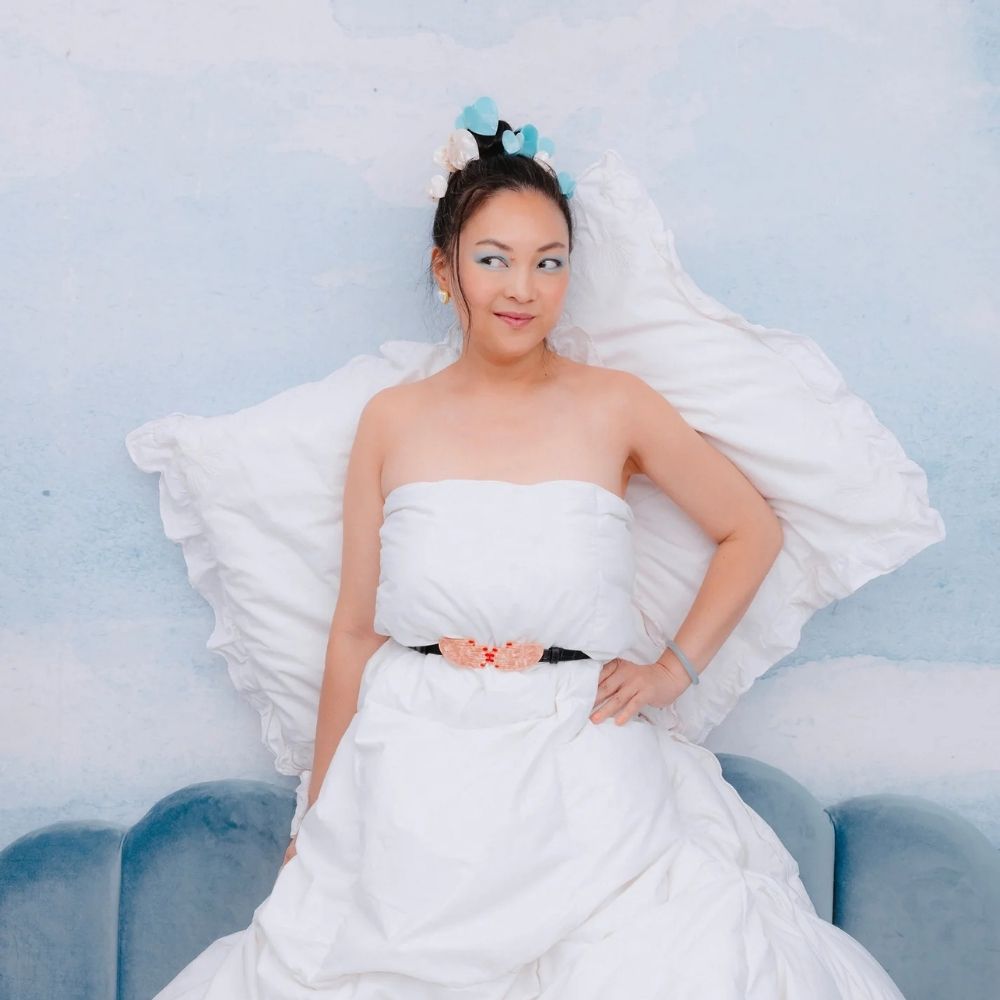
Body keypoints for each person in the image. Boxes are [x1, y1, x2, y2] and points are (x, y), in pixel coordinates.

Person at [153, 100, 908, 999]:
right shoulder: (391, 420)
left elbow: (753, 528)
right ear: (446, 270)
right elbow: (354, 632)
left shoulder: (616, 404)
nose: (523, 288)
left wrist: (671, 671)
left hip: (581, 762)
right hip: (415, 763)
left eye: (548, 262)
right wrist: (315, 809)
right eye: (493, 259)